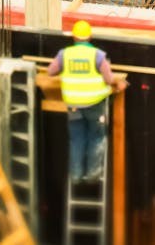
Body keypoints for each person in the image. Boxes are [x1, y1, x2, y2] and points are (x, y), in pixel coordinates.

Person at [47, 20, 127, 183]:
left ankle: (75, 175)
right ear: (89, 36)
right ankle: (93, 174)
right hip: (94, 103)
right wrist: (119, 84)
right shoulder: (97, 55)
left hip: (73, 104)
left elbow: (50, 71)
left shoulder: (65, 54)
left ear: (74, 37)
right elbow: (108, 78)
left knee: (77, 138)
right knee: (96, 137)